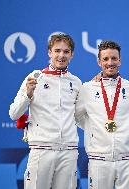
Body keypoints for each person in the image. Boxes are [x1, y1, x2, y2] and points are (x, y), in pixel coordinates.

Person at [9, 33, 81, 189]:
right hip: (41, 151)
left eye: (66, 51)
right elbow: (14, 113)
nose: (61, 55)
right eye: (57, 50)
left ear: (72, 54)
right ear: (49, 52)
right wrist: (28, 95)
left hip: (68, 152)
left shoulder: (76, 82)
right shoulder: (35, 77)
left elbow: (81, 117)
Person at [75, 40, 129, 189]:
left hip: (127, 159)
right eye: (105, 59)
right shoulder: (87, 88)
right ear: (99, 62)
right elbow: (75, 116)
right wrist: (94, 129)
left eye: (114, 58)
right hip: (98, 159)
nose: (110, 63)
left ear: (120, 60)